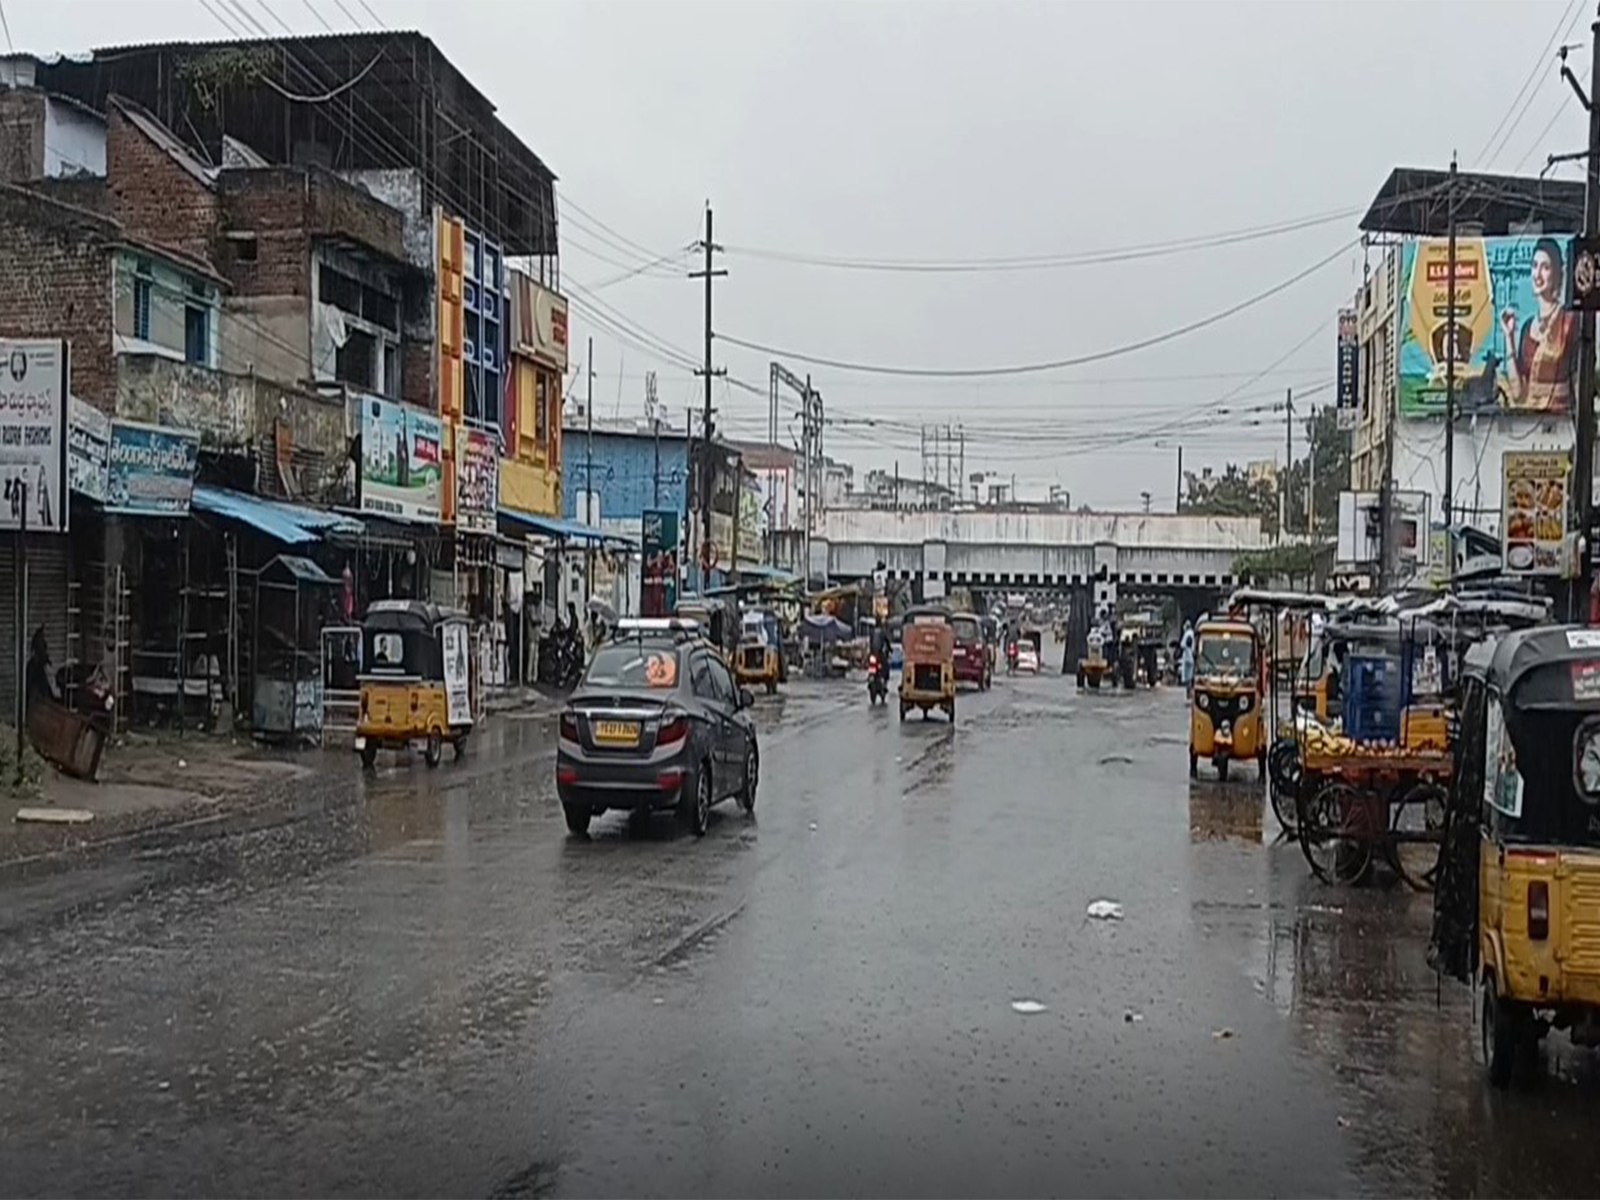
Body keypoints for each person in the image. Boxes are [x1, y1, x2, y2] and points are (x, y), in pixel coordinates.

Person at [1502, 237, 1579, 412]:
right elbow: (1518, 394)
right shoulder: (1527, 327)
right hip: (1530, 425)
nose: (1537, 274)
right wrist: (1508, 337)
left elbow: (1578, 381)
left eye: (1545, 267)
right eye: (1534, 266)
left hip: (1561, 425)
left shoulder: (1569, 321)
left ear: (1556, 273)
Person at [1179, 621, 1196, 692]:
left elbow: (1183, 644)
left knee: (1187, 675)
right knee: (1190, 674)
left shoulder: (1187, 634)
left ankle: (1189, 690)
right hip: (1191, 656)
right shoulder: (1192, 633)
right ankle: (1189, 690)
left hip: (1187, 656)